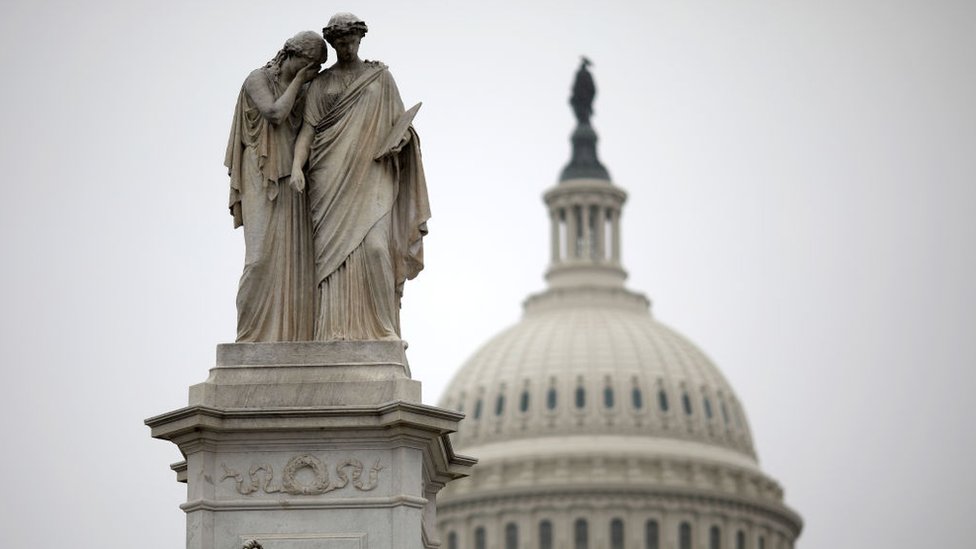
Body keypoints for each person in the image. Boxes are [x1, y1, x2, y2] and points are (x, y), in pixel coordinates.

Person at [291, 13, 430, 341]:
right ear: (332, 43)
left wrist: (403, 139)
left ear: (360, 39)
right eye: (340, 42)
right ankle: (332, 331)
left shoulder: (380, 79)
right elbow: (308, 132)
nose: (346, 46)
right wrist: (297, 167)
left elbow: (401, 124)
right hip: (329, 178)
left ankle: (383, 330)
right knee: (331, 259)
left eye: (351, 40)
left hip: (373, 173)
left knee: (376, 249)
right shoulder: (321, 84)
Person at [225, 31, 327, 342]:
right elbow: (275, 113)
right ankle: (249, 336)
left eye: (317, 68)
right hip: (260, 171)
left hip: (293, 180)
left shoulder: (308, 88)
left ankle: (290, 337)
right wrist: (300, 81)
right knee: (258, 258)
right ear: (292, 56)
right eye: (310, 65)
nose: (313, 73)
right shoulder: (258, 79)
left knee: (294, 261)